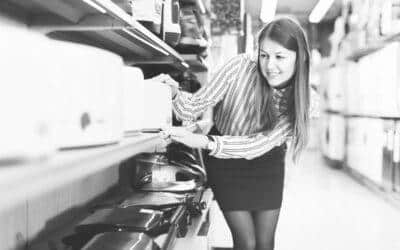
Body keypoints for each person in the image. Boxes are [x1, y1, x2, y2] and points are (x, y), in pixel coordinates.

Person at [160, 17, 312, 250]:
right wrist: (173, 93)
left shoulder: (302, 101)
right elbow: (192, 106)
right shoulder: (239, 67)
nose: (270, 65)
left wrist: (203, 141)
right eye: (264, 55)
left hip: (266, 162)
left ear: (299, 57)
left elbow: (255, 146)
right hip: (225, 163)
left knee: (264, 244)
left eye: (280, 56)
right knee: (246, 243)